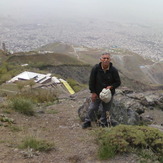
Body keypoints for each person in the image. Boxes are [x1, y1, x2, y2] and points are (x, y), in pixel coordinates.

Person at [82, 52, 121, 129]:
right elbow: (91, 81)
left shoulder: (113, 70)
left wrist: (111, 87)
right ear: (101, 59)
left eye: (107, 58)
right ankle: (87, 121)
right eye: (104, 58)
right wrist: (93, 92)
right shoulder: (96, 68)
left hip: (109, 94)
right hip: (97, 93)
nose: (106, 60)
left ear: (110, 60)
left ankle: (103, 123)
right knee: (92, 107)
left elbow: (118, 82)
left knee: (106, 109)